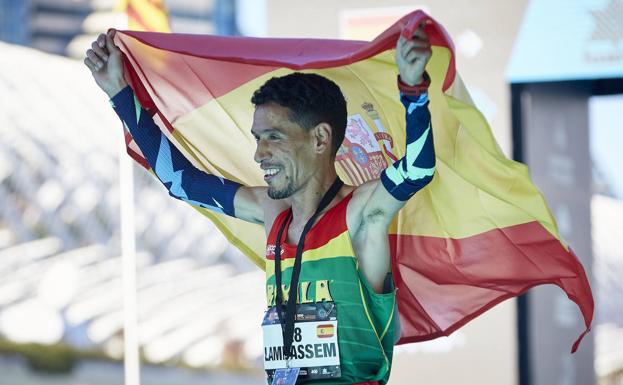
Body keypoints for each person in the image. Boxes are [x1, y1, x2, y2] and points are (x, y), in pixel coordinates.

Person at [84, 25, 435, 385]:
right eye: (257, 138)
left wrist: (413, 91)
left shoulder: (361, 214)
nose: (259, 154)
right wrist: (119, 93)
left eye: (273, 137)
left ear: (320, 138)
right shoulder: (273, 213)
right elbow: (181, 182)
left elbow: (418, 169)